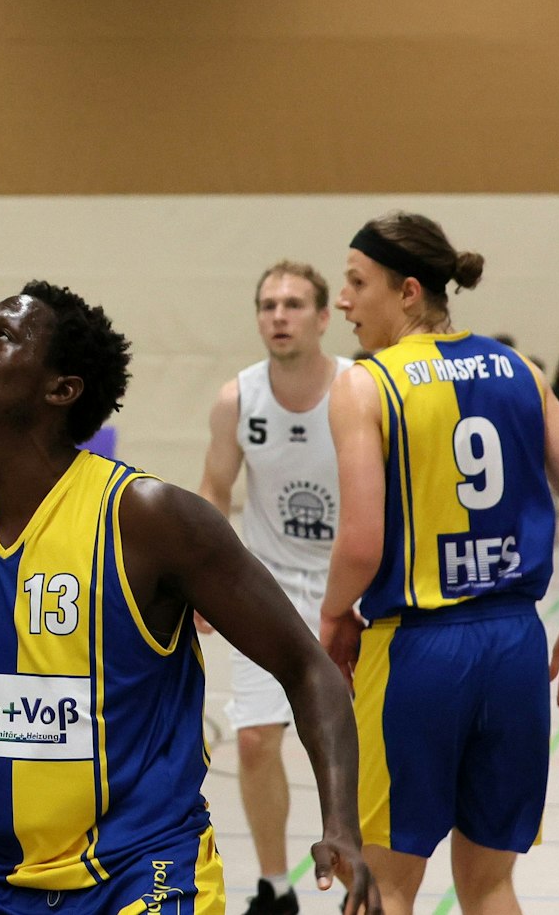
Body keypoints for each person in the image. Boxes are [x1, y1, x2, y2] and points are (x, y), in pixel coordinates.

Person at [0, 281, 375, 915]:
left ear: (61, 389)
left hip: (143, 869)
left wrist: (340, 825)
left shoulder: (150, 518)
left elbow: (307, 667)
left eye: (0, 338)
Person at [323, 211, 559, 915]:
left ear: (409, 292)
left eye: (357, 283)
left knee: (385, 883)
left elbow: (362, 543)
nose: (343, 300)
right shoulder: (522, 372)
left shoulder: (365, 384)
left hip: (418, 651)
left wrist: (332, 613)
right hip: (515, 645)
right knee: (490, 884)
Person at [196, 261, 354, 915]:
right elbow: (215, 489)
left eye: (293, 303)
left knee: (352, 745)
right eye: (267, 304)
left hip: (352, 587)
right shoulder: (239, 397)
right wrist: (202, 579)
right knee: (259, 739)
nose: (278, 315)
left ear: (322, 317)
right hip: (268, 588)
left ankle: (365, 878)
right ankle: (273, 885)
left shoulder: (359, 388)